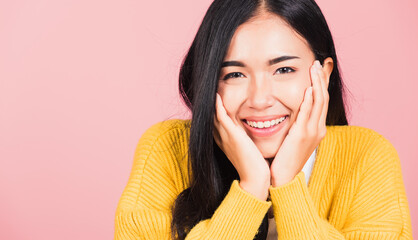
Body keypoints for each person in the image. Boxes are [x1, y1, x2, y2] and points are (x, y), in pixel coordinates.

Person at [114, 0, 412, 239]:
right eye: (234, 74)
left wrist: (287, 186)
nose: (259, 99)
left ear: (323, 74)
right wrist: (250, 189)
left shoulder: (367, 156)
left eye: (284, 70)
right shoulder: (166, 150)